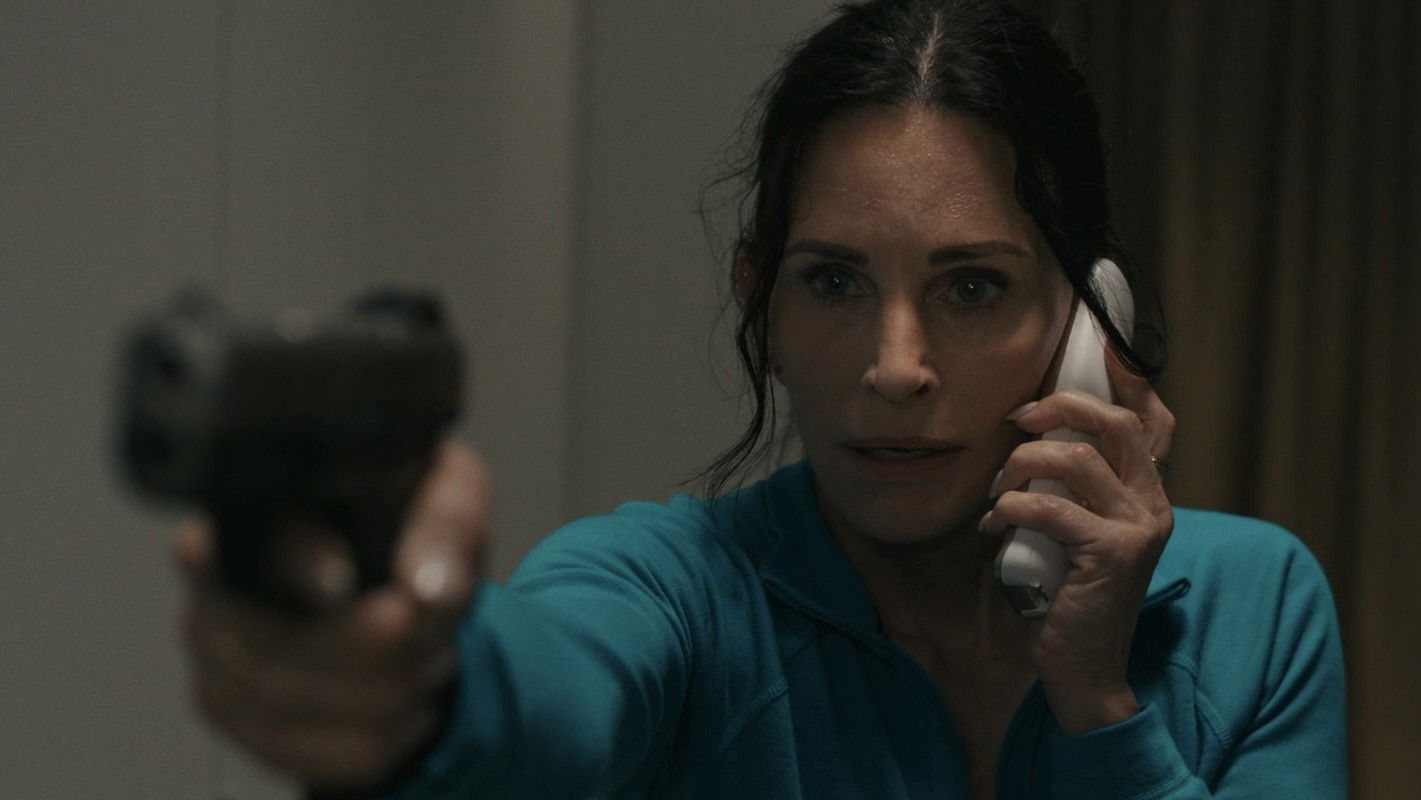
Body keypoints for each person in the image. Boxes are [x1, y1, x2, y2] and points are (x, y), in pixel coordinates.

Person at [177, 1, 1347, 797]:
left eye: (971, 287)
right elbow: (559, 680)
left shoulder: (1252, 605)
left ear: (1084, 316)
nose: (894, 366)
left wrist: (1096, 698)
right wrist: (419, 676)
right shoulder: (678, 587)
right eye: (832, 281)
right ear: (764, 305)